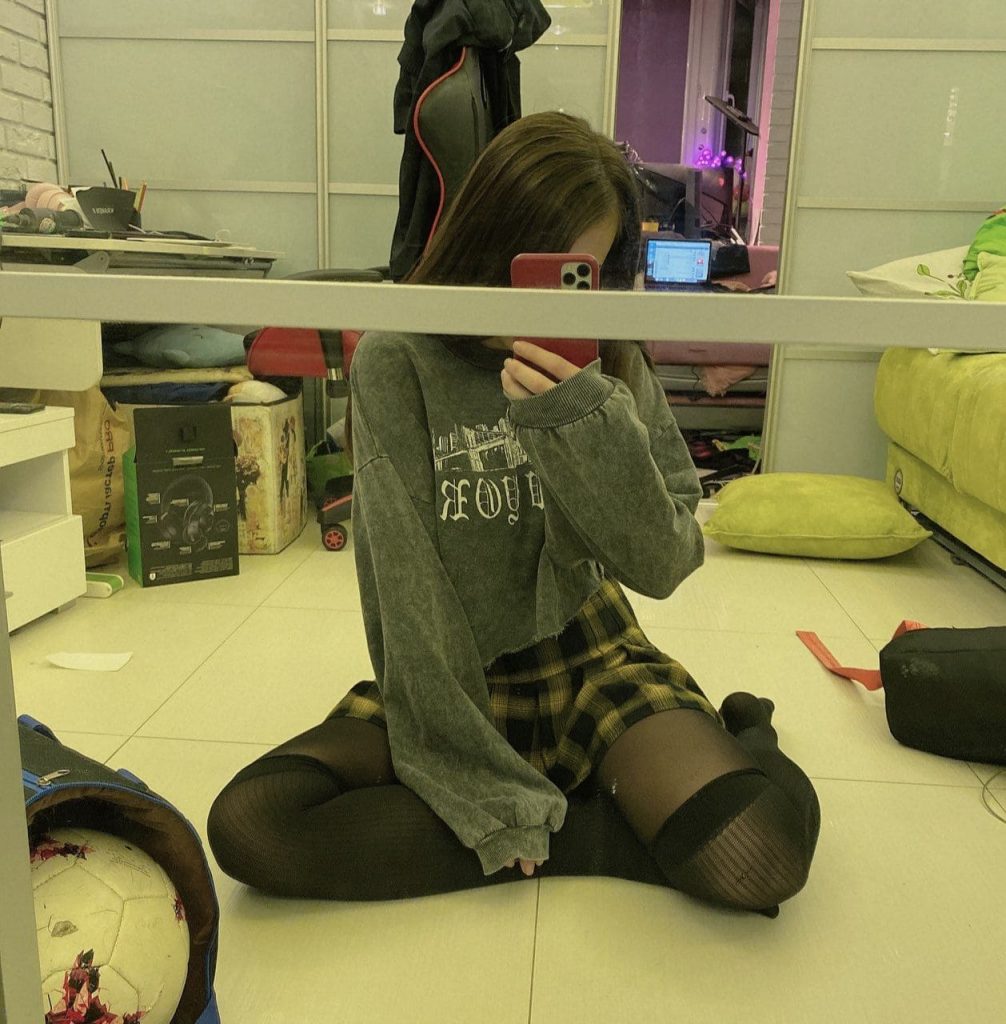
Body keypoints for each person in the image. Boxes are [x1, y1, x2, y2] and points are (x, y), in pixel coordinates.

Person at [207, 111, 820, 916]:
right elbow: (403, 584)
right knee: (254, 824)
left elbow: (664, 561)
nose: (549, 293)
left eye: (578, 270)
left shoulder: (605, 355)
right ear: (482, 241)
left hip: (590, 649)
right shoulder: (400, 356)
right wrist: (476, 781)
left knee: (762, 854)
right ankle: (595, 831)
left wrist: (584, 419)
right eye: (531, 263)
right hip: (448, 664)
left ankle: (745, 732)